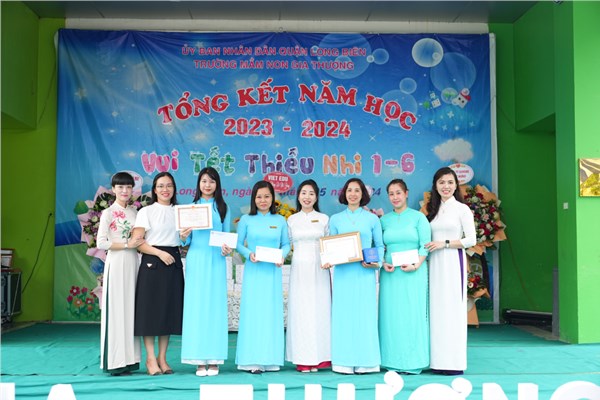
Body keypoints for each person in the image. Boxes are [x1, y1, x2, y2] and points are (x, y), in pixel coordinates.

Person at [324, 178, 384, 374]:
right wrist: (328, 259)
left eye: (357, 190)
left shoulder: (372, 219)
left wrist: (377, 263)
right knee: (344, 317)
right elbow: (330, 246)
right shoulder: (335, 219)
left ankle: (367, 362)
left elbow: (379, 246)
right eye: (349, 190)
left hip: (364, 273)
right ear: (344, 193)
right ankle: (343, 361)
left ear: (363, 194)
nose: (353, 194)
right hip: (343, 274)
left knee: (365, 316)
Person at [180, 167, 232, 377]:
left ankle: (214, 358)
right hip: (197, 259)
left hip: (216, 260)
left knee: (215, 307)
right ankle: (198, 359)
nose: (207, 185)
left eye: (212, 181)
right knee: (197, 307)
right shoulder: (190, 208)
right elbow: (185, 242)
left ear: (217, 184)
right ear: (198, 184)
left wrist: (227, 249)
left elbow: (226, 238)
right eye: (204, 181)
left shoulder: (223, 208)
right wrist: (183, 236)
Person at [424, 167, 476, 375]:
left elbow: (471, 240)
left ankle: (454, 363)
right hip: (434, 265)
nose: (446, 186)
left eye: (450, 182)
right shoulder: (433, 211)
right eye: (441, 182)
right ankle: (437, 362)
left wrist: (444, 244)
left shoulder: (462, 209)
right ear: (435, 186)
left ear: (456, 185)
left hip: (453, 262)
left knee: (453, 310)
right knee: (437, 311)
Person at [235, 180, 291, 374]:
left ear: (272, 198)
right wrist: (248, 254)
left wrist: (282, 256)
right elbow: (238, 243)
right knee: (253, 313)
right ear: (254, 199)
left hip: (272, 273)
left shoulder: (280, 220)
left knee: (270, 313)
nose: (263, 200)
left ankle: (270, 360)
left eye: (267, 196)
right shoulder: (246, 219)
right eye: (259, 197)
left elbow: (286, 244)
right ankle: (251, 360)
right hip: (254, 270)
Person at [132, 172, 184, 376]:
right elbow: (138, 242)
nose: (165, 189)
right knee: (150, 312)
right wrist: (159, 253)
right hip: (153, 261)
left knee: (167, 312)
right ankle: (151, 358)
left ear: (174, 188)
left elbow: (185, 240)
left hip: (173, 261)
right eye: (161, 186)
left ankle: (163, 358)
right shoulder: (146, 211)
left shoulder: (180, 211)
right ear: (154, 189)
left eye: (169, 185)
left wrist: (186, 236)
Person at [379, 179, 431, 374]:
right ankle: (391, 360)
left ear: (406, 193)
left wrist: (416, 264)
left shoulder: (419, 218)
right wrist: (383, 262)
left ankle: (413, 361)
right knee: (391, 316)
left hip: (414, 273)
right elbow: (379, 246)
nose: (395, 197)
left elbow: (425, 245)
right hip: (390, 274)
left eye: (398, 193)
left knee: (412, 315)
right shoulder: (383, 220)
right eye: (391, 194)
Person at [96, 172, 145, 376]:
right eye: (120, 187)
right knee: (116, 310)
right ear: (113, 189)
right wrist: (126, 244)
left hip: (133, 262)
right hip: (116, 263)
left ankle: (130, 360)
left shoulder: (136, 212)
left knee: (131, 310)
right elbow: (101, 243)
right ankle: (115, 361)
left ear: (133, 189)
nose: (125, 191)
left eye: (128, 187)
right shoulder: (108, 213)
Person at [286, 179, 331, 373]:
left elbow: (329, 244)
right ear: (298, 196)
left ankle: (320, 358)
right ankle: (302, 358)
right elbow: (286, 244)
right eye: (304, 193)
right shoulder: (291, 220)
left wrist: (329, 259)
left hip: (320, 269)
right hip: (299, 269)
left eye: (311, 193)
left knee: (320, 310)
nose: (307, 197)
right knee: (301, 311)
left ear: (316, 197)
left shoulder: (324, 219)